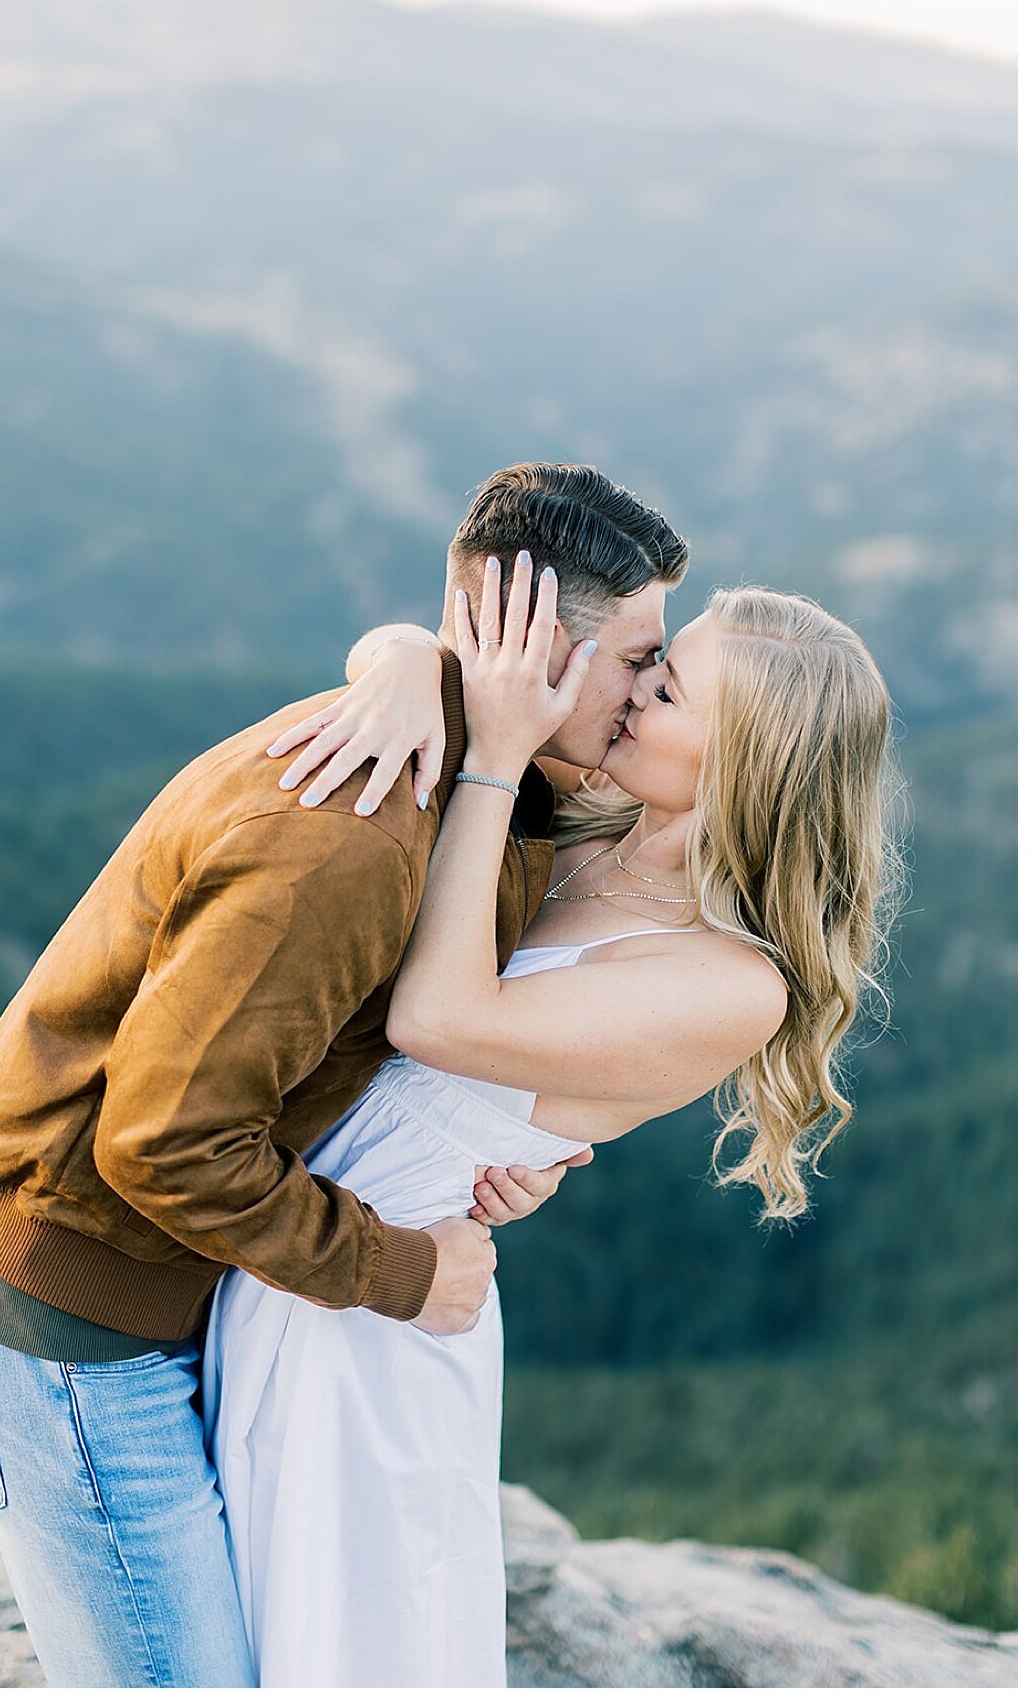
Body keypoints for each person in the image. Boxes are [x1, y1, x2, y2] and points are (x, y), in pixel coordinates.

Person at [0, 462, 689, 1687]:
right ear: (525, 644)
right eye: (639, 653)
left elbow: (349, 1056)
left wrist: (475, 1161)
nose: (652, 687)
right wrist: (401, 1267)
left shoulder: (503, 792)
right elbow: (162, 1141)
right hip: (65, 1328)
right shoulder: (353, 837)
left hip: (163, 1306)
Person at [202, 554, 900, 1686]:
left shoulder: (731, 982)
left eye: (668, 689)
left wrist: (492, 755)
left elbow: (436, 1017)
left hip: (377, 1324)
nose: (631, 689)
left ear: (744, 764)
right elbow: (410, 650)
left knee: (335, 1643)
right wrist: (397, 668)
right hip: (295, 1246)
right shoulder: (590, 821)